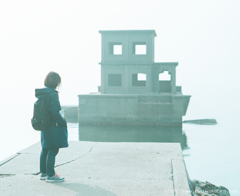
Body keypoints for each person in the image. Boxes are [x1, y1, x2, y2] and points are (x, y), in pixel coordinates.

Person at [35, 71, 68, 182]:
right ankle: (51, 176)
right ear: (56, 82)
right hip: (52, 126)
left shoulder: (42, 93)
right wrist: (63, 121)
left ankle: (44, 173)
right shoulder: (53, 94)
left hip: (44, 125)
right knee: (53, 150)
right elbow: (55, 112)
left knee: (45, 149)